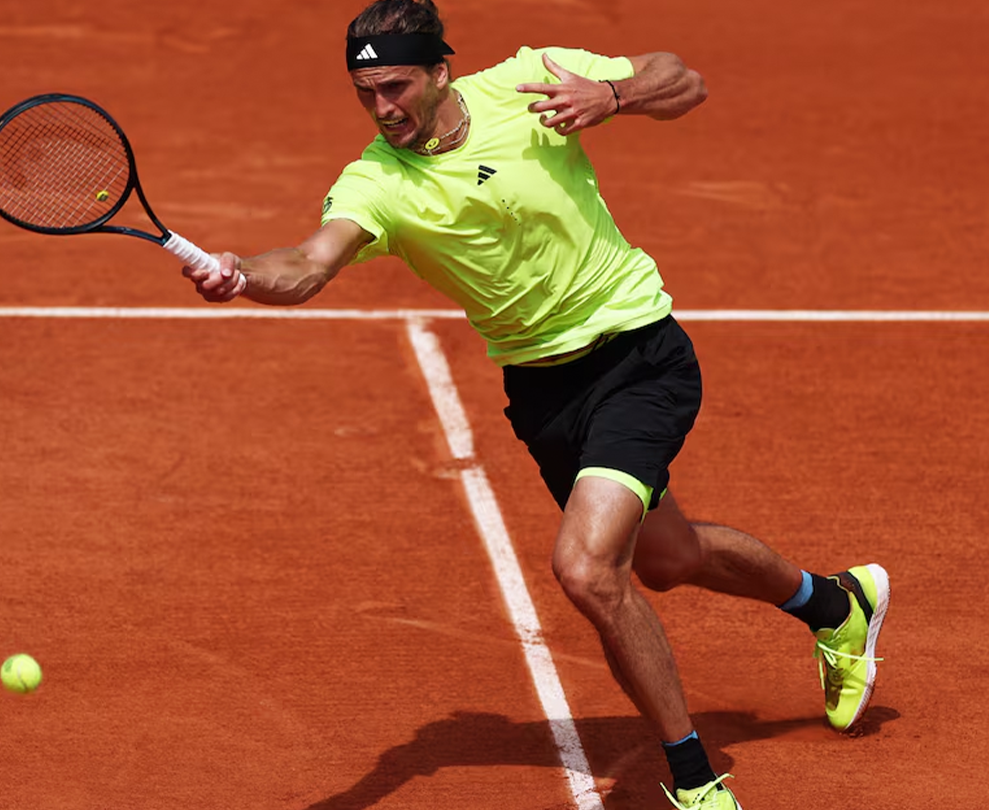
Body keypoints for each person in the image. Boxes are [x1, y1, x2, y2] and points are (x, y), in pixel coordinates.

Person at [182, 1, 890, 807]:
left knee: (587, 569)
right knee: (665, 559)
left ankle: (695, 780)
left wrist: (612, 95)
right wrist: (242, 275)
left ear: (441, 71)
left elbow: (682, 81)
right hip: (544, 391)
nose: (382, 108)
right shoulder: (376, 182)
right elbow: (309, 265)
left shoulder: (528, 82)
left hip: (636, 353)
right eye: (365, 92)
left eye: (396, 86)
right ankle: (834, 603)